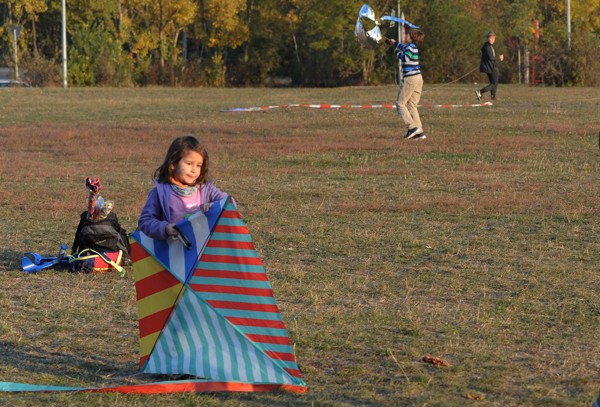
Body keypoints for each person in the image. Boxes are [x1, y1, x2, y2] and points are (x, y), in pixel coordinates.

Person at [138, 135, 228, 241]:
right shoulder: (160, 193)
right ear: (173, 164)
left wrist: (214, 205)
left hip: (202, 247)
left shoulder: (207, 190)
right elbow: (145, 221)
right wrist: (165, 228)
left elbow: (229, 203)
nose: (194, 170)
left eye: (199, 165)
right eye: (189, 163)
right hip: (170, 249)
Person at [387, 27, 426, 140]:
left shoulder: (410, 47)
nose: (404, 36)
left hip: (411, 78)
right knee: (412, 106)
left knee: (400, 104)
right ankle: (419, 132)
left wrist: (396, 52)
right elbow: (403, 47)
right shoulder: (412, 47)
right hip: (418, 78)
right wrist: (395, 43)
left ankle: (412, 128)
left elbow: (406, 58)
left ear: (411, 37)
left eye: (406, 34)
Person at [475, 31, 504, 102]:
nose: (493, 40)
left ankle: (493, 97)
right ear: (489, 38)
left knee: (493, 83)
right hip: (491, 67)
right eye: (492, 38)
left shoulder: (486, 46)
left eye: (494, 38)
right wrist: (499, 57)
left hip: (489, 67)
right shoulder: (488, 47)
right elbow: (491, 57)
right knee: (494, 83)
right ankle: (480, 92)